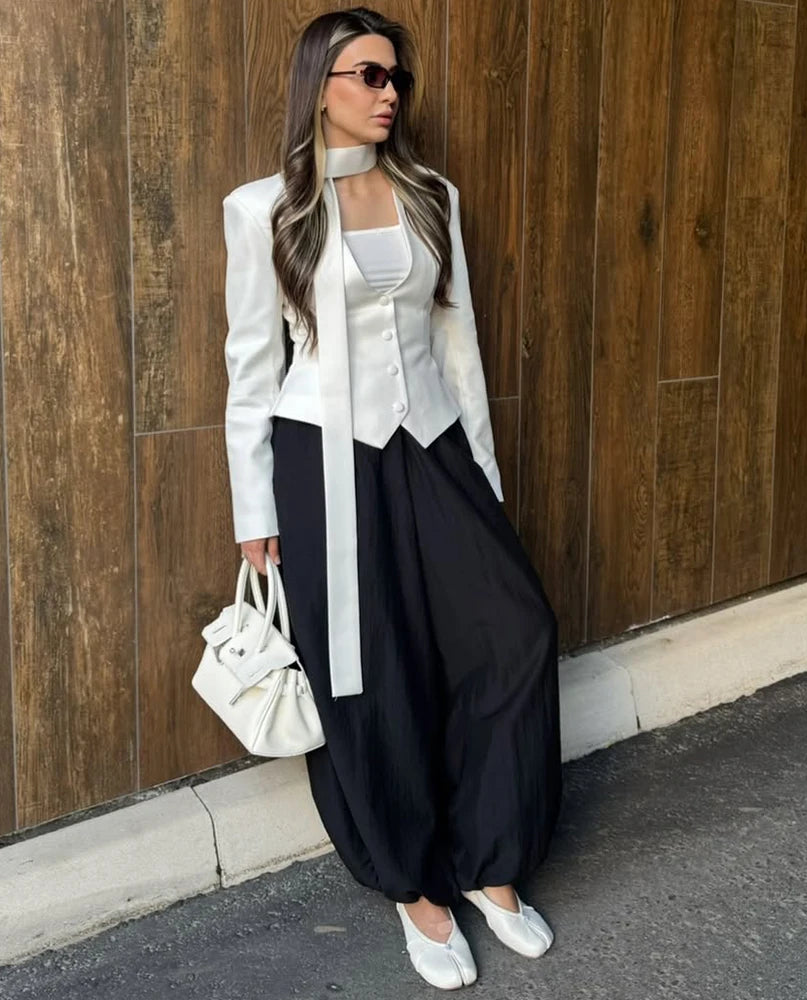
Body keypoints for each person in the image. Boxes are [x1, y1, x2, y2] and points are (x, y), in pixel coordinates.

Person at [220, 6, 562, 990]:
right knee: (367, 677)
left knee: (515, 633)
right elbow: (251, 365)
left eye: (395, 78)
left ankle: (491, 868)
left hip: (434, 448)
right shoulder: (263, 209)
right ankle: (414, 886)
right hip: (322, 455)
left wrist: (484, 480)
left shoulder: (429, 194)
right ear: (318, 85)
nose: (388, 94)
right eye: (368, 76)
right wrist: (256, 511)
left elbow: (459, 345)